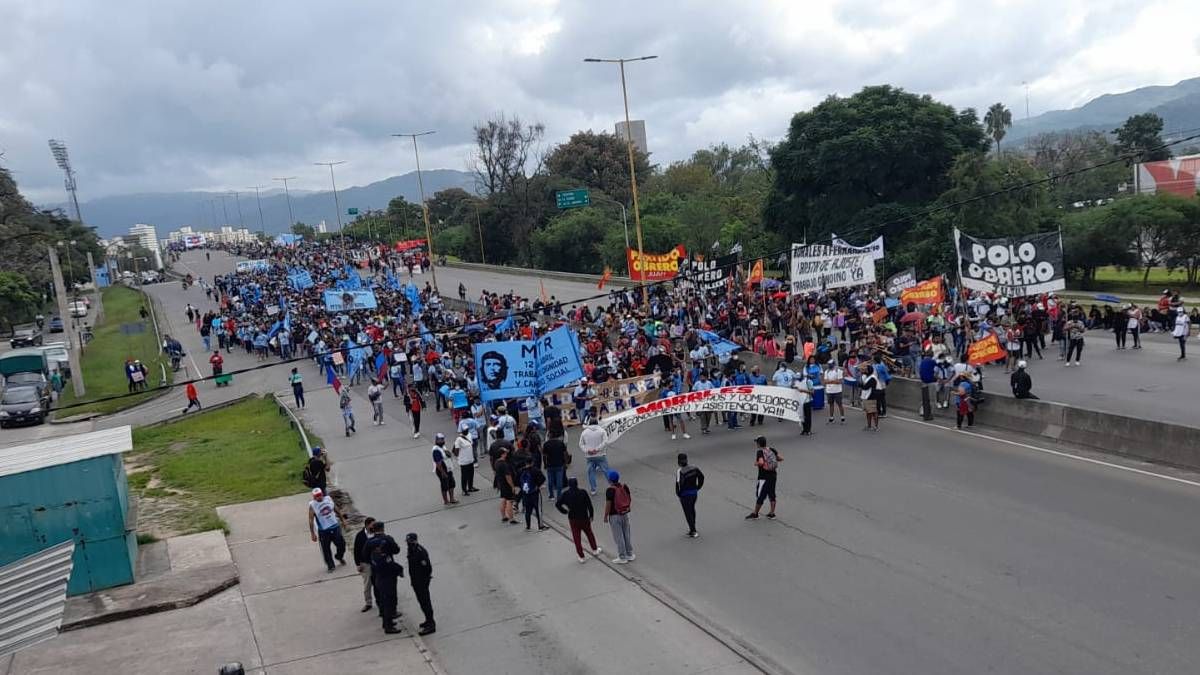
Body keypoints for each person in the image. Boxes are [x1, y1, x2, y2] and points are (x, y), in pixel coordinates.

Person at [367, 521, 403, 634]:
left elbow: (364, 555)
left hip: (377, 572)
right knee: (389, 598)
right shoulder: (387, 539)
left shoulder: (370, 542)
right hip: (388, 572)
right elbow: (396, 550)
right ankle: (388, 625)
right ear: (382, 528)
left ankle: (387, 621)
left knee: (383, 598)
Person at [555, 477, 602, 563]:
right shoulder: (583, 492)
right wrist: (591, 515)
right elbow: (589, 505)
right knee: (589, 533)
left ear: (569, 485)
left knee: (576, 537)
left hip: (573, 518)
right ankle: (595, 549)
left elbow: (558, 504)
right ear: (577, 484)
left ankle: (581, 556)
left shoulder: (565, 494)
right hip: (584, 517)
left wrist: (565, 511)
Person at [307, 487, 347, 572]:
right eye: (316, 496)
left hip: (335, 526)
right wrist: (312, 533)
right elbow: (310, 520)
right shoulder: (312, 505)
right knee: (326, 549)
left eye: (320, 495)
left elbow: (336, 510)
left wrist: (343, 520)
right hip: (324, 530)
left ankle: (339, 556)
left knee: (342, 544)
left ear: (322, 494)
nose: (319, 497)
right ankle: (330, 565)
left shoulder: (328, 499)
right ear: (314, 497)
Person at [406, 532, 435, 636]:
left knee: (425, 602)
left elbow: (428, 568)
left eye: (410, 542)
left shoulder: (420, 552)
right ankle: (427, 620)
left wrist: (425, 580)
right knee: (421, 602)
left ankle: (431, 624)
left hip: (422, 581)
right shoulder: (411, 550)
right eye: (407, 542)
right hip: (415, 581)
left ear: (415, 541)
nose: (408, 544)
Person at [746, 436, 782, 520]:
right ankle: (772, 513)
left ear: (758, 444)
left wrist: (756, 463)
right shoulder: (771, 449)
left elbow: (761, 463)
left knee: (760, 495)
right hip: (773, 475)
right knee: (772, 494)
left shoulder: (760, 452)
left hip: (763, 477)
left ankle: (755, 513)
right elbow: (780, 458)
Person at [603, 470, 634, 564]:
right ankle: (630, 554)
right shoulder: (624, 486)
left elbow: (608, 504)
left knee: (618, 536)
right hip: (624, 513)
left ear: (610, 480)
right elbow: (629, 498)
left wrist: (605, 516)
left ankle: (622, 556)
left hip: (614, 515)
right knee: (626, 534)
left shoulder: (610, 490)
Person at [578, 415, 610, 495]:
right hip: (600, 454)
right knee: (606, 470)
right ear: (597, 423)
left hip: (589, 456)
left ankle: (593, 489)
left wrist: (587, 450)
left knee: (591, 472)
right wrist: (597, 449)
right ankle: (612, 484)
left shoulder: (584, 432)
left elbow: (581, 444)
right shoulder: (602, 431)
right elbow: (605, 442)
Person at [675, 453, 704, 538]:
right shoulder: (694, 468)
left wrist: (679, 494)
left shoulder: (680, 471)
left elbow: (678, 484)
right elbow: (701, 477)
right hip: (694, 494)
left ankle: (693, 531)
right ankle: (693, 528)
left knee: (688, 513)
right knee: (692, 509)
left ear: (679, 461)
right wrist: (698, 487)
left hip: (685, 495)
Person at [352, 516, 377, 613]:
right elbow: (356, 550)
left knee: (378, 583)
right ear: (367, 525)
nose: (374, 527)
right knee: (367, 584)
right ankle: (368, 603)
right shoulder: (360, 536)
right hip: (365, 564)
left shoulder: (376, 533)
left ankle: (380, 601)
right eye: (372, 525)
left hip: (376, 562)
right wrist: (358, 564)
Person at [519, 459, 548, 531]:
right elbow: (543, 478)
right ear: (532, 463)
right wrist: (538, 486)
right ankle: (540, 526)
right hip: (535, 493)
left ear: (525, 463)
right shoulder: (535, 470)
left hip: (525, 494)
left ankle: (528, 527)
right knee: (538, 510)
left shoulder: (521, 471)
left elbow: (518, 481)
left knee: (528, 511)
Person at [431, 433, 457, 505]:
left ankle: (452, 499)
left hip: (448, 468)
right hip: (442, 470)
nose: (442, 441)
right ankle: (446, 501)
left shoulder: (443, 446)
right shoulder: (436, 450)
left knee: (451, 483)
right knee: (444, 485)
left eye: (443, 439)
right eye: (440, 439)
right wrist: (443, 472)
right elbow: (438, 463)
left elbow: (447, 455)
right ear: (436, 440)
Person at [494, 445, 518, 524]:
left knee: (504, 499)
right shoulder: (504, 464)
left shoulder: (497, 462)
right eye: (505, 453)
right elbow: (508, 476)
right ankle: (512, 519)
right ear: (502, 454)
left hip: (501, 484)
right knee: (509, 501)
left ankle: (504, 516)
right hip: (506, 484)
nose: (506, 454)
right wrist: (512, 486)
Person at [543, 432, 569, 499]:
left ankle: (551, 495)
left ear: (549, 436)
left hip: (550, 465)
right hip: (559, 464)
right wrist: (566, 463)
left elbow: (544, 456)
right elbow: (565, 454)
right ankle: (559, 495)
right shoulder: (560, 443)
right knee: (559, 481)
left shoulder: (546, 444)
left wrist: (545, 464)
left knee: (550, 481)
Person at [454, 426, 477, 493]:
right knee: (464, 476)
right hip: (463, 461)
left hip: (470, 459)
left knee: (471, 474)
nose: (466, 431)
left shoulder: (469, 435)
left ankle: (470, 487)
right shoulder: (459, 439)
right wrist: (460, 456)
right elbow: (456, 451)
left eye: (467, 429)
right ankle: (464, 490)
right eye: (465, 430)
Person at [859, 361, 880, 432]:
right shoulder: (865, 376)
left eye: (865, 370)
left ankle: (876, 427)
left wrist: (861, 385)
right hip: (865, 397)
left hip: (871, 397)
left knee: (874, 412)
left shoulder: (872, 378)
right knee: (868, 412)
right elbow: (861, 384)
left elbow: (865, 387)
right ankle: (869, 426)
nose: (864, 371)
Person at [824, 359, 846, 424]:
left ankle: (842, 417)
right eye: (829, 364)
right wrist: (834, 381)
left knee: (840, 404)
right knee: (831, 404)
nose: (829, 366)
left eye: (831, 364)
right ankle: (831, 418)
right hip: (829, 391)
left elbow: (839, 381)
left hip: (837, 391)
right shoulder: (826, 372)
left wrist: (830, 381)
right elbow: (825, 381)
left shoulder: (838, 371)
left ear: (833, 364)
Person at [917, 350, 937, 420]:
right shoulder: (932, 361)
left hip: (923, 381)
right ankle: (930, 414)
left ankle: (922, 412)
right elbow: (937, 369)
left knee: (924, 398)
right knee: (931, 399)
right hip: (931, 381)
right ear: (932, 355)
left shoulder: (923, 361)